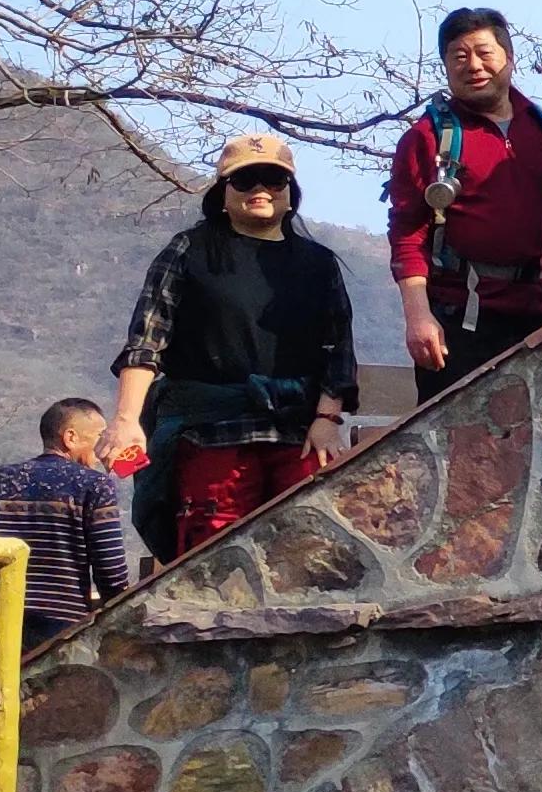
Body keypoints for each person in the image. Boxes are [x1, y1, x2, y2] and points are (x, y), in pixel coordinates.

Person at [102, 134, 357, 560]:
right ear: (223, 194)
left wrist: (328, 416)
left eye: (274, 180)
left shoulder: (319, 263)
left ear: (291, 195)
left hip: (299, 431)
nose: (260, 189)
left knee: (309, 550)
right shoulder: (189, 251)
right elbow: (147, 339)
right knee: (214, 556)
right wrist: (126, 419)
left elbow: (338, 346)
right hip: (210, 431)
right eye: (245, 180)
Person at [387, 7, 542, 394]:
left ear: (509, 59)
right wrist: (417, 316)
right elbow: (407, 231)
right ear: (446, 66)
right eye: (459, 56)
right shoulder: (428, 138)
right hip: (461, 319)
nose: (474, 66)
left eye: (485, 53)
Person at [0, 398, 130, 643]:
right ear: (70, 437)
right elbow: (111, 572)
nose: (104, 446)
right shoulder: (93, 486)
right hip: (57, 633)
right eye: (100, 436)